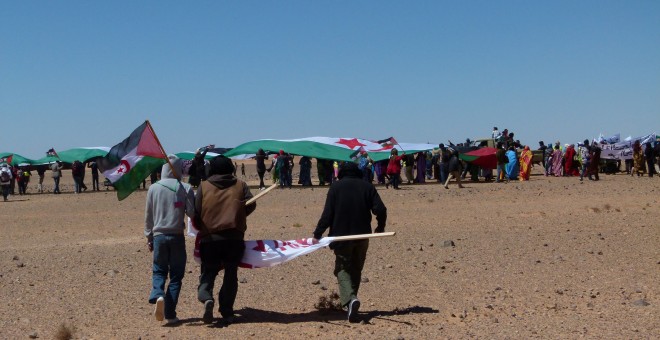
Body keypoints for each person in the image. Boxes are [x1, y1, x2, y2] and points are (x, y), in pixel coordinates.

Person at [312, 162, 387, 323]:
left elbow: (328, 214)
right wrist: (380, 227)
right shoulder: (367, 187)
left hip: (341, 237)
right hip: (362, 236)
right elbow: (380, 209)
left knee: (342, 269)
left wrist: (318, 233)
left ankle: (351, 299)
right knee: (356, 269)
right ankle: (351, 303)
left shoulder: (336, 188)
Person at [195, 156, 256, 325]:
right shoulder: (240, 184)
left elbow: (196, 211)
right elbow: (251, 204)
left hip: (210, 238)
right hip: (234, 238)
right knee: (231, 274)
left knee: (208, 271)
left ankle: (206, 296)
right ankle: (227, 311)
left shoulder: (204, 186)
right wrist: (238, 214)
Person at [144, 155, 196, 325]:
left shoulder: (153, 188)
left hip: (158, 236)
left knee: (159, 269)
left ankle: (158, 294)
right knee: (176, 275)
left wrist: (148, 236)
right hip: (177, 236)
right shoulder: (185, 187)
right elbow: (192, 214)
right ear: (179, 168)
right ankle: (170, 313)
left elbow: (148, 216)